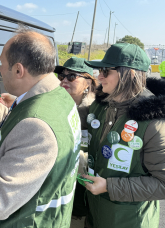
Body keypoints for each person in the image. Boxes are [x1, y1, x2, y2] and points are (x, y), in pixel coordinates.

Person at [0, 27, 81, 227]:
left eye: (2, 63)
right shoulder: (57, 98)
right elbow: (17, 122)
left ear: (19, 70)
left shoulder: (37, 126)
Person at [82, 43, 165, 228]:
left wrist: (109, 186)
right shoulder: (100, 106)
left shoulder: (155, 123)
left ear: (129, 74)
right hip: (95, 215)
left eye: (106, 70)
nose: (100, 76)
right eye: (100, 70)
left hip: (129, 221)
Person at [54, 57, 97, 220]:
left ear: (88, 83)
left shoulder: (96, 112)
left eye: (71, 76)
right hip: (57, 182)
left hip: (82, 187)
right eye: (61, 76)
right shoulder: (54, 104)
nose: (64, 80)